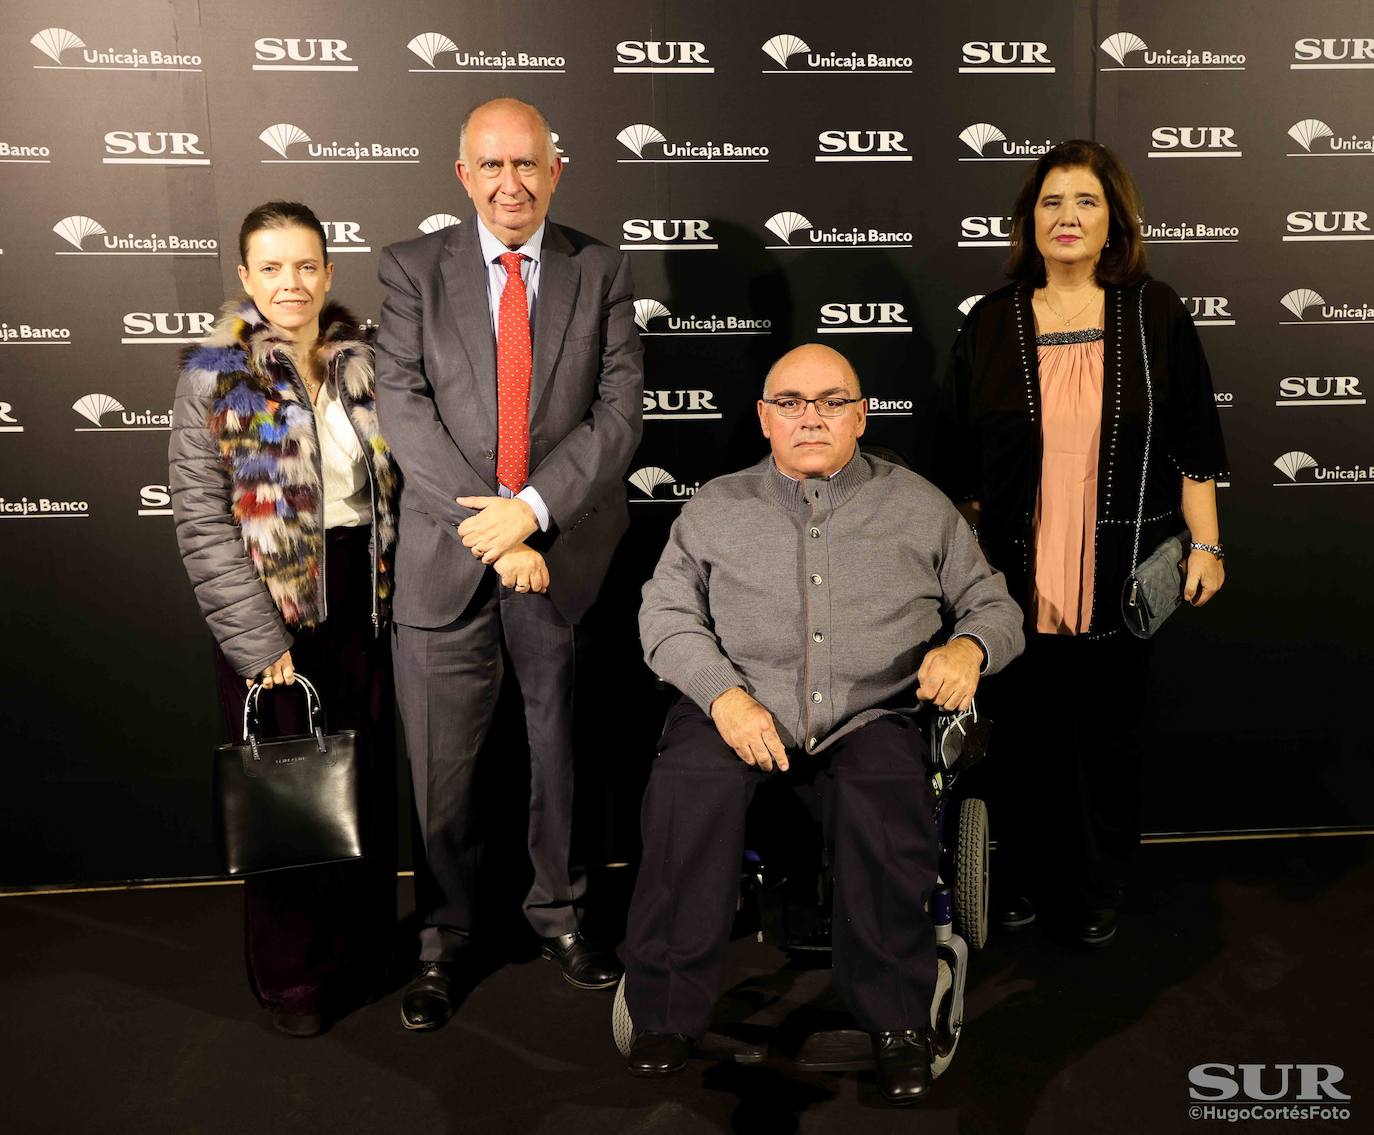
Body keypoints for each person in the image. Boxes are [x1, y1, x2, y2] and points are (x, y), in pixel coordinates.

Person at [623, 344, 1024, 1104]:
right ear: (765, 418)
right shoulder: (714, 507)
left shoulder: (919, 504)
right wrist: (724, 696)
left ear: (862, 414)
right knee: (687, 790)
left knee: (885, 796)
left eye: (833, 400)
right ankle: (665, 1009)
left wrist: (970, 646)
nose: (813, 415)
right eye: (793, 402)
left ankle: (898, 1021)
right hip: (737, 709)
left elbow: (995, 606)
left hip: (872, 713)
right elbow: (664, 615)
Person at [374, 97, 643, 1030]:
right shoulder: (412, 269)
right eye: (490, 166)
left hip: (558, 557)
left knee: (558, 757)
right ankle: (444, 937)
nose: (510, 183)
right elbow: (404, 409)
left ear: (555, 169)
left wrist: (529, 515)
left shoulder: (599, 269)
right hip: (446, 567)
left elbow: (618, 416)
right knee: (441, 771)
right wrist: (490, 529)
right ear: (463, 177)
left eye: (526, 164)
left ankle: (561, 916)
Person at [942, 140, 1228, 948]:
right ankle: (1025, 879)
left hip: (1122, 570)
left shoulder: (1156, 312)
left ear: (1115, 223)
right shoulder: (990, 323)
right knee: (1019, 742)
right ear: (1029, 223)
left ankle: (1098, 882)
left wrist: (1206, 547)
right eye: (1051, 203)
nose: (1067, 217)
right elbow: (959, 466)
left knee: (1108, 737)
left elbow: (1195, 447)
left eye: (1086, 203)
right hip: (1009, 577)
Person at [169, 201, 401, 1037]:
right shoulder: (214, 373)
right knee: (291, 798)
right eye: (271, 268)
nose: (290, 284)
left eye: (306, 265)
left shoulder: (366, 362)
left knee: (364, 784)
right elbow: (199, 517)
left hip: (363, 595)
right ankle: (295, 978)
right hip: (270, 604)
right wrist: (256, 637)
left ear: (329, 272)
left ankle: (368, 951)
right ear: (245, 277)